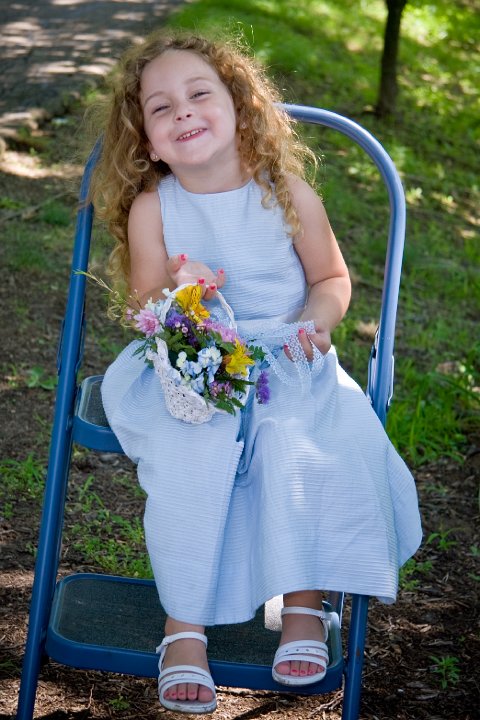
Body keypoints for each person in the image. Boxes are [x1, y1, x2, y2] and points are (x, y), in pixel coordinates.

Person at [90, 30, 422, 715]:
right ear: (148, 141)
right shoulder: (155, 207)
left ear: (240, 108)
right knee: (191, 454)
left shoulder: (285, 193)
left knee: (300, 440)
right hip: (195, 361)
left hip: (286, 355)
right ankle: (183, 627)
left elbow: (331, 278)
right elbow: (143, 300)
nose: (183, 111)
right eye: (161, 107)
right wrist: (181, 295)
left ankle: (303, 605)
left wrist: (317, 322)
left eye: (199, 94)